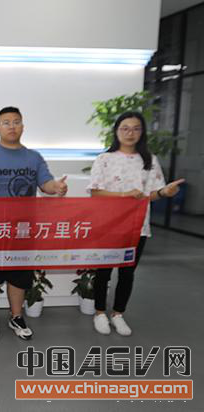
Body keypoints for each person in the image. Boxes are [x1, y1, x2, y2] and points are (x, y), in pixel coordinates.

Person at [0, 106, 68, 341]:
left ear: (23, 126)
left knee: (19, 275)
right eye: (6, 122)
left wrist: (57, 187)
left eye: (16, 122)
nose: (12, 126)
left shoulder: (33, 157)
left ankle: (16, 316)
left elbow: (46, 184)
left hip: (23, 228)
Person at [88, 111, 184, 336]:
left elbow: (152, 194)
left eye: (136, 128)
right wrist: (125, 195)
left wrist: (165, 192)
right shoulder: (104, 159)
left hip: (137, 226)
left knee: (127, 272)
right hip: (108, 225)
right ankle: (99, 313)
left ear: (142, 132)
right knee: (103, 271)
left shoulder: (150, 160)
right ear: (116, 131)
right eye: (125, 128)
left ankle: (118, 314)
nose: (130, 133)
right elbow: (95, 192)